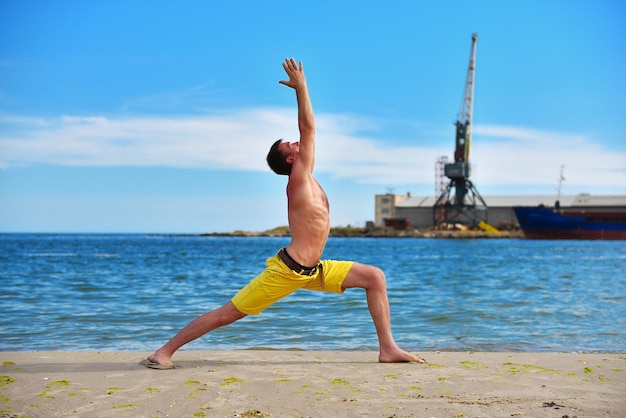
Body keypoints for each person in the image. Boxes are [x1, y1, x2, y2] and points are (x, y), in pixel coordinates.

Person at [143, 58, 425, 369]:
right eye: (290, 144)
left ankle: (388, 348)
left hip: (313, 269)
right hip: (287, 271)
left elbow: (308, 132)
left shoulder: (309, 176)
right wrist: (301, 89)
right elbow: (309, 127)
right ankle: (163, 352)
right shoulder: (298, 179)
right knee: (228, 313)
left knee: (374, 277)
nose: (296, 140)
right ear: (290, 160)